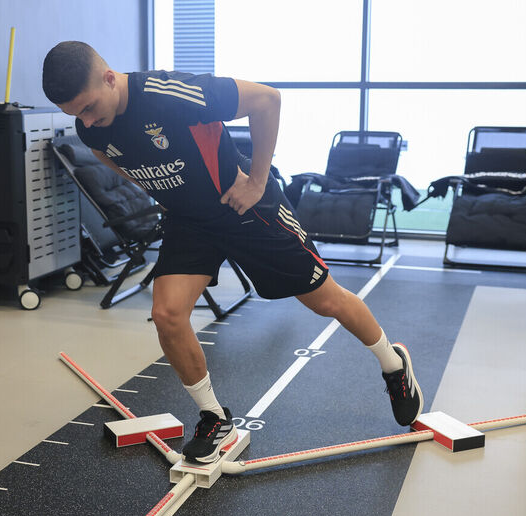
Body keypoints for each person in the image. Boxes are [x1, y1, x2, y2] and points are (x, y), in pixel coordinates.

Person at [42, 41, 423, 464]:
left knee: (326, 301)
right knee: (168, 314)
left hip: (243, 206)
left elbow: (267, 99)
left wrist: (257, 181)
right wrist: (158, 191)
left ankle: (393, 364)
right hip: (191, 221)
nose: (86, 121)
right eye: (75, 114)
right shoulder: (92, 128)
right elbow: (105, 153)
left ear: (110, 78)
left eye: (89, 108)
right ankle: (214, 418)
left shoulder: (172, 93)